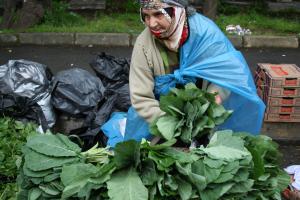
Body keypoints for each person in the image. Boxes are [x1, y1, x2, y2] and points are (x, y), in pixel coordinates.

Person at [102, 0, 265, 146]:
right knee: (139, 156)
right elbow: (141, 97)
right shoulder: (144, 45)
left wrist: (210, 105)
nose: (151, 23)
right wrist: (173, 125)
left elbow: (227, 74)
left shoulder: (205, 34)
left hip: (202, 117)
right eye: (146, 16)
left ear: (177, 11)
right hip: (157, 118)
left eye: (158, 14)